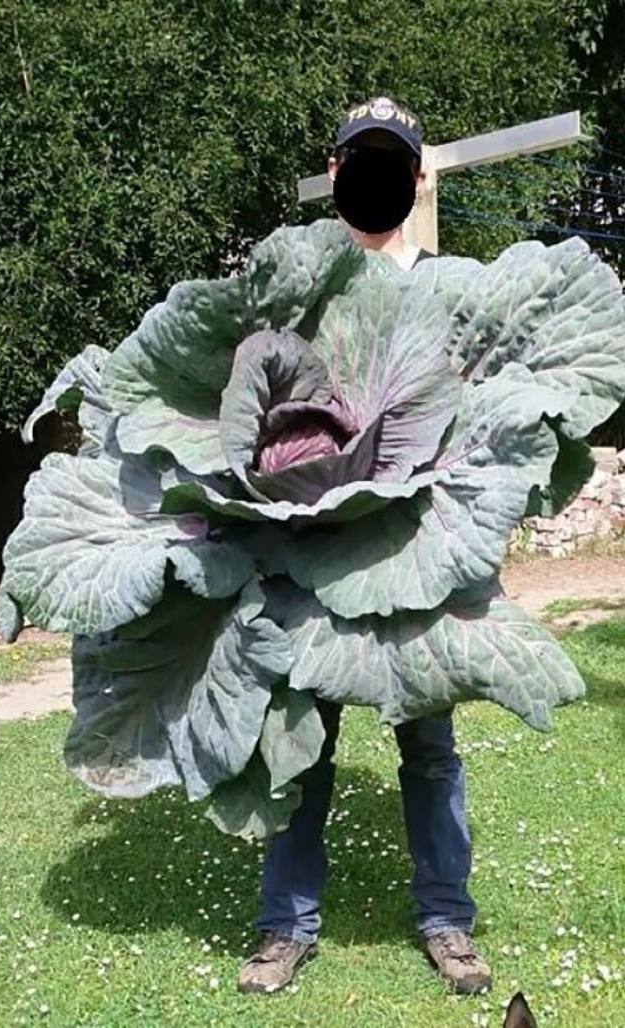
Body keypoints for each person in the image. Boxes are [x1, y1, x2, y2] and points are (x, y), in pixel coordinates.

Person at [237, 97, 492, 998]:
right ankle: (284, 927)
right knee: (296, 747)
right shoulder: (294, 279)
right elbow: (249, 396)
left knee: (427, 749)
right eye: (359, 156)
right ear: (337, 169)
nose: (376, 171)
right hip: (301, 551)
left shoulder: (445, 283)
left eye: (392, 159)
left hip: (413, 553)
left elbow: (481, 414)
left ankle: (445, 920)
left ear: (413, 176)